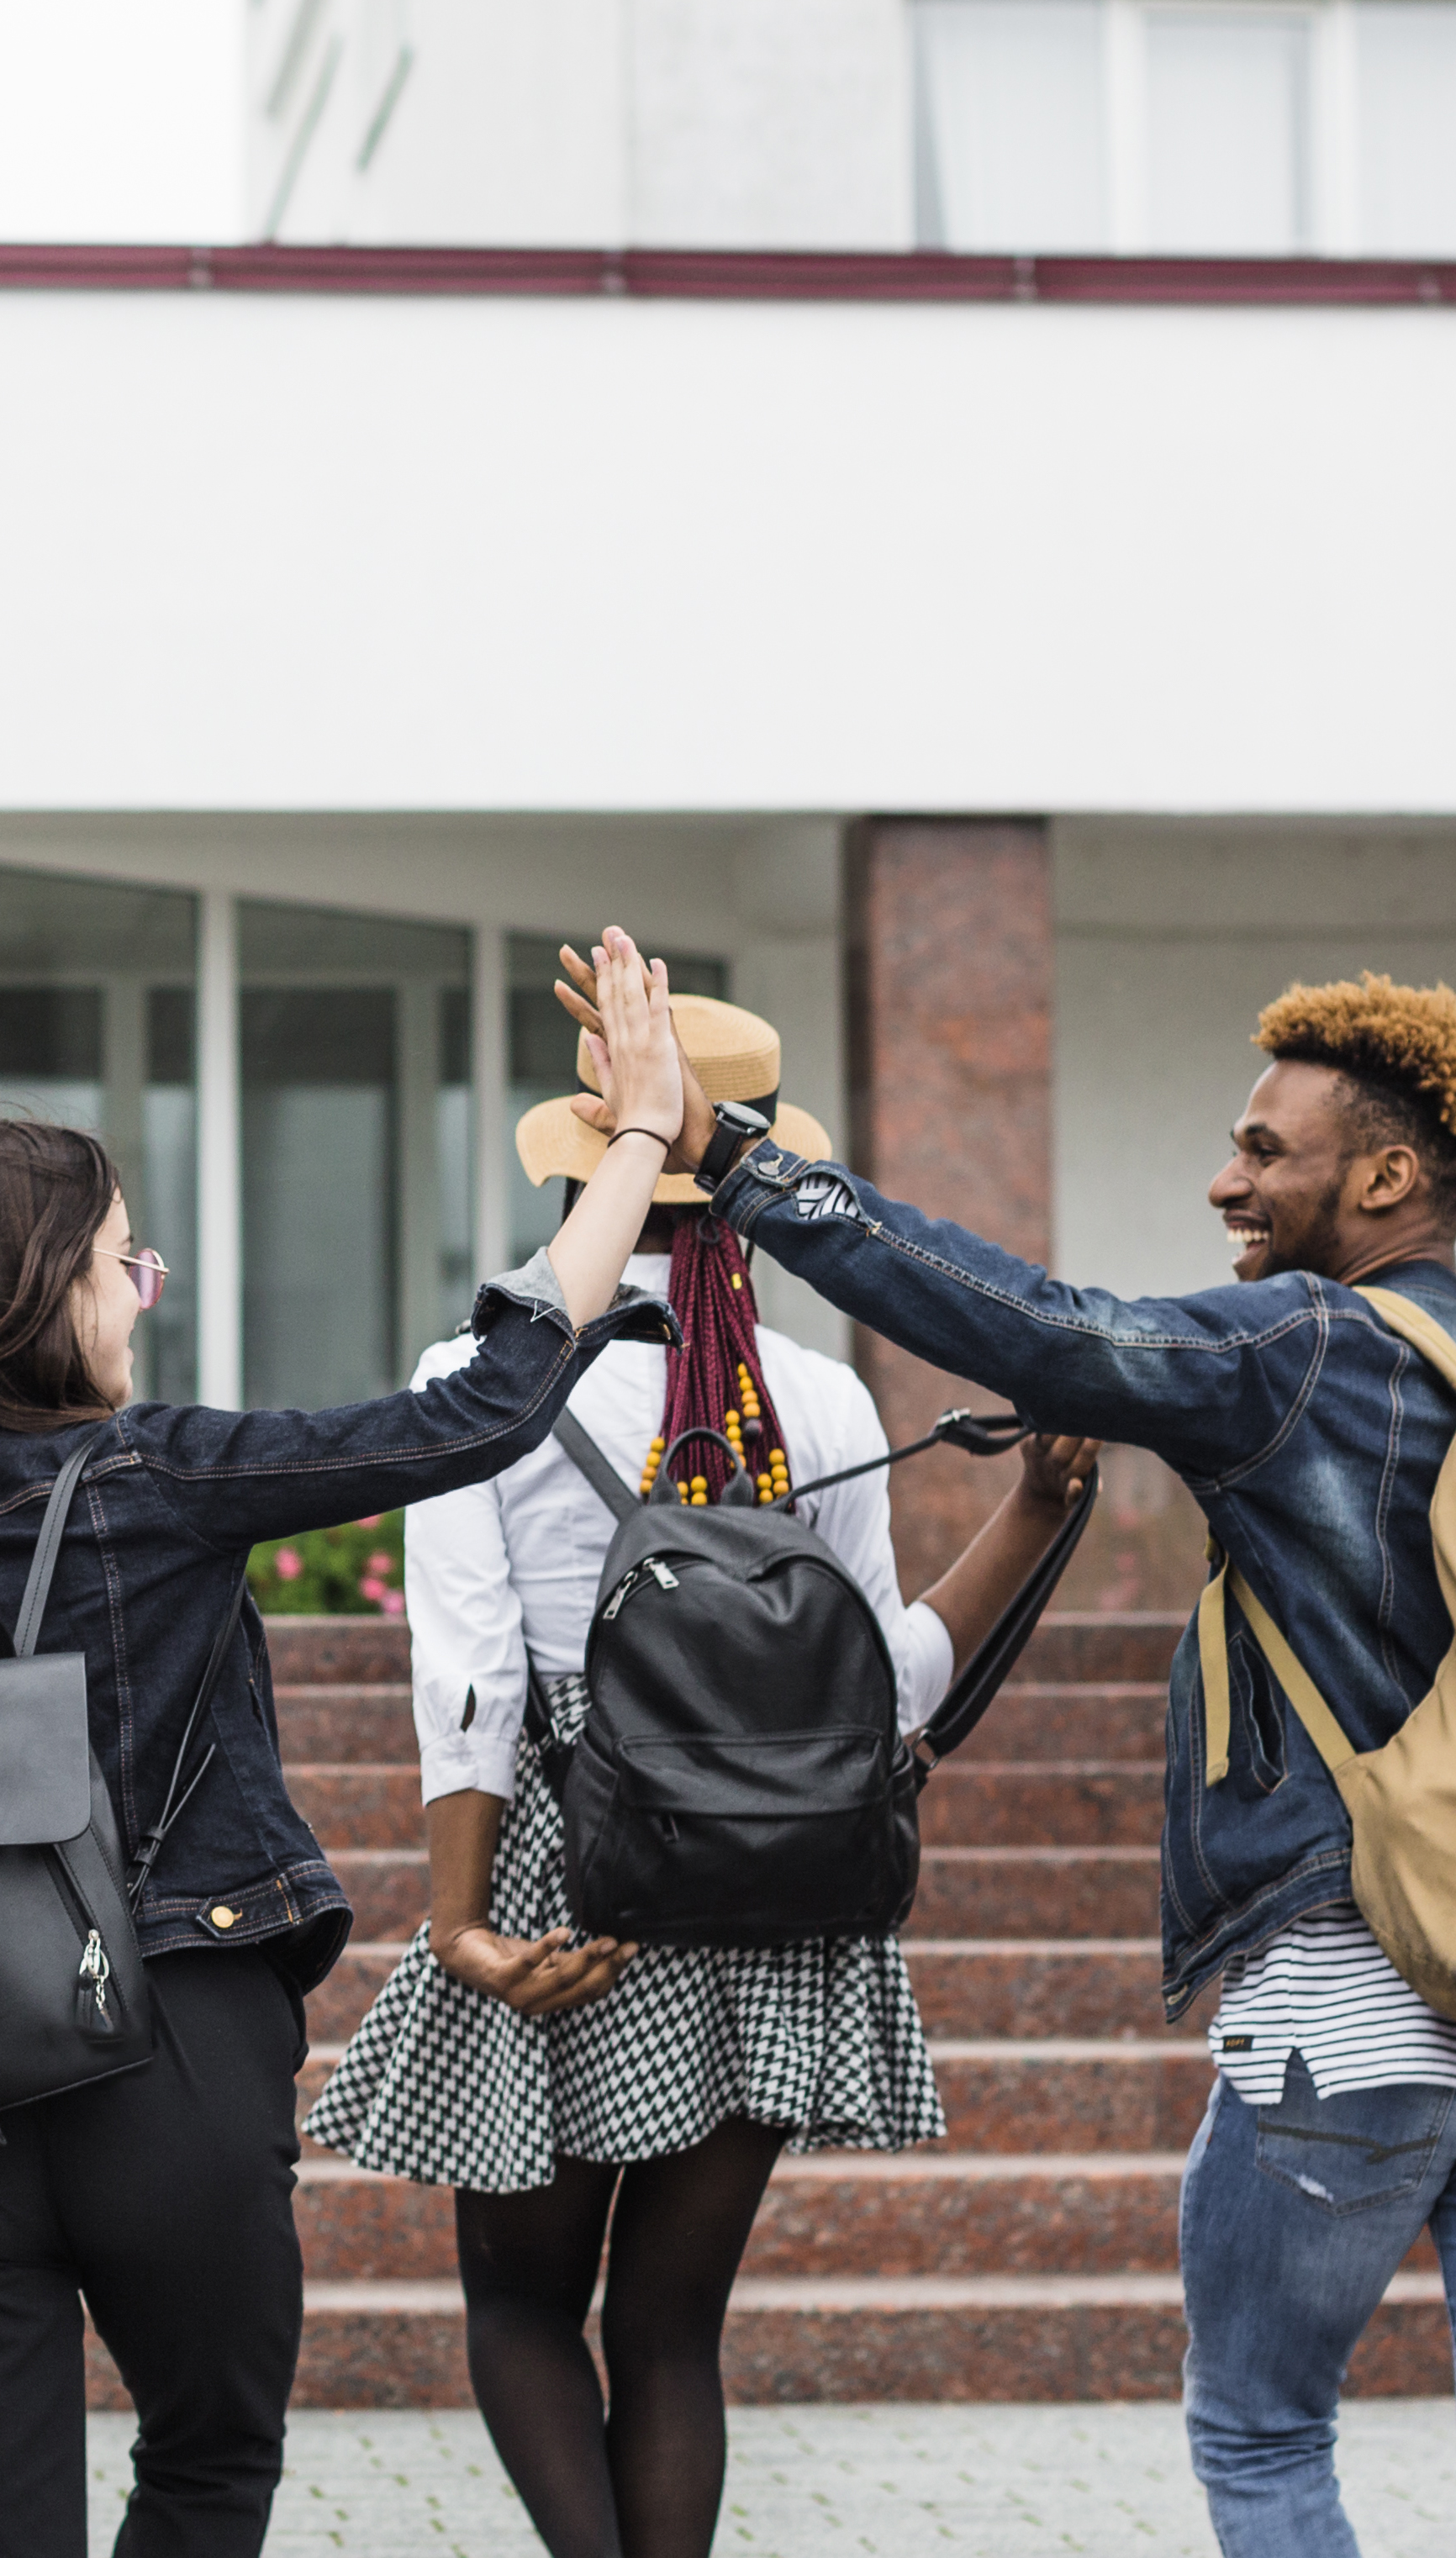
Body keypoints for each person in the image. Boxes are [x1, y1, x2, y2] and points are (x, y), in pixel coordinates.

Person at [587, 958, 1456, 2558]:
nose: (1226, 1180)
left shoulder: (1305, 1349)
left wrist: (724, 1153)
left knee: (1262, 2431)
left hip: (1356, 2025)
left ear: (1385, 1178)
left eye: (1263, 1150)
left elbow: (1038, 1327)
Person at [0, 926, 693, 2558]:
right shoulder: (155, 1474)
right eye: (127, 1261)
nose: (141, 1296)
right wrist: (644, 1138)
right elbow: (479, 1408)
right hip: (167, 2041)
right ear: (47, 1286)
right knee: (205, 2460)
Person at [308, 995, 1096, 2558]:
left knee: (521, 2306)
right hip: (772, 1892)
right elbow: (881, 1703)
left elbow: (468, 1677)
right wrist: (1025, 1516)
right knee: (672, 2330)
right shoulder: (818, 1397)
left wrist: (458, 1921)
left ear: (580, 1171)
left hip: (568, 1877)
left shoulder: (481, 1374)